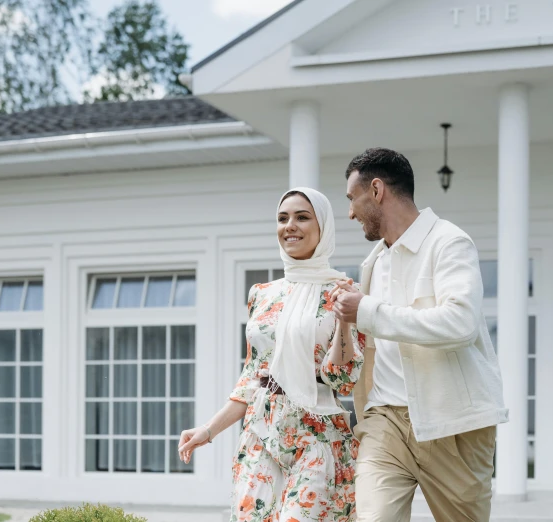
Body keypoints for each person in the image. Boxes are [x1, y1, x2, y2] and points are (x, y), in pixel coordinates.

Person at [330, 148, 507, 522]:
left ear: (376, 190)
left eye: (352, 199)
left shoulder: (450, 243)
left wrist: (367, 311)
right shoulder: (373, 262)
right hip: (385, 421)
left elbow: (459, 323)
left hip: (453, 426)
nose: (350, 213)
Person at [178, 187, 363, 522]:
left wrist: (344, 323)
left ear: (323, 228)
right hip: (261, 432)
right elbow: (253, 378)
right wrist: (207, 431)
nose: (289, 225)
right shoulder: (262, 295)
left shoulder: (343, 292)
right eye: (282, 218)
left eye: (302, 217)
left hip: (317, 437)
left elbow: (344, 380)